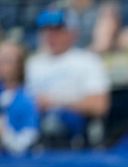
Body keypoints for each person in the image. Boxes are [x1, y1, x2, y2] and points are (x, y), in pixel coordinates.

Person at [25, 8, 110, 148]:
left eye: (57, 30)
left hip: (77, 134)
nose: (51, 36)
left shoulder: (87, 60)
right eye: (47, 31)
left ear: (73, 33)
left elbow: (100, 105)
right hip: (38, 130)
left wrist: (55, 102)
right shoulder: (33, 64)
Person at [0, 40, 39, 156]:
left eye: (6, 60)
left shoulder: (27, 100)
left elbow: (23, 145)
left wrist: (4, 133)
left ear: (19, 66)